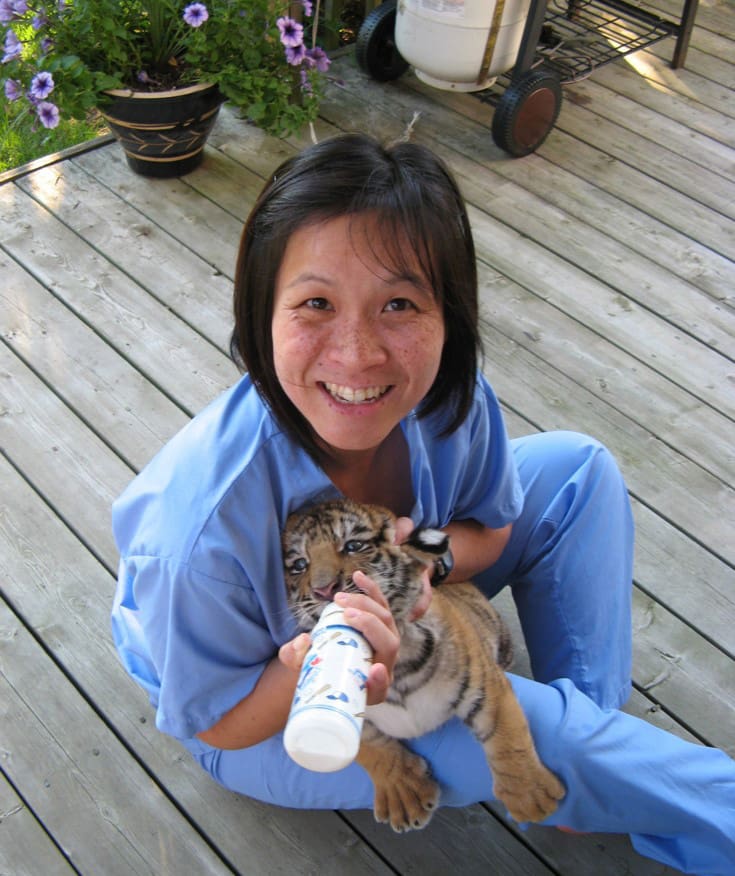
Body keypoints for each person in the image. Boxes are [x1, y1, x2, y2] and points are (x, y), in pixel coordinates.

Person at [111, 133, 735, 874]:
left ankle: (587, 759)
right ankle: (594, 764)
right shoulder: (196, 533)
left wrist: (414, 566)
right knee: (534, 735)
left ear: (449, 316)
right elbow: (219, 725)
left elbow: (491, 532)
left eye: (399, 303)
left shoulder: (447, 397)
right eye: (315, 303)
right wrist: (327, 652)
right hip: (259, 709)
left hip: (400, 600)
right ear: (259, 316)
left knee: (577, 469)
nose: (357, 354)